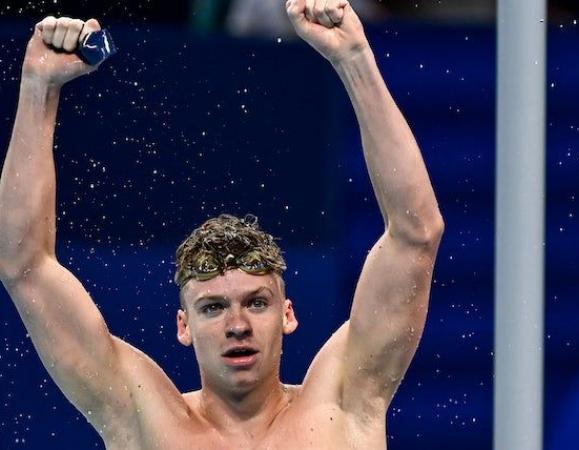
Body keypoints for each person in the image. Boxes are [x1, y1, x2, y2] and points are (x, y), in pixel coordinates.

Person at [0, 0, 444, 448]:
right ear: (183, 325)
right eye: (212, 307)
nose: (237, 325)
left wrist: (354, 59)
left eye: (256, 303)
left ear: (287, 314)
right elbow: (23, 263)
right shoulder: (145, 417)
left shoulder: (344, 402)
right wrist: (38, 86)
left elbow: (417, 234)